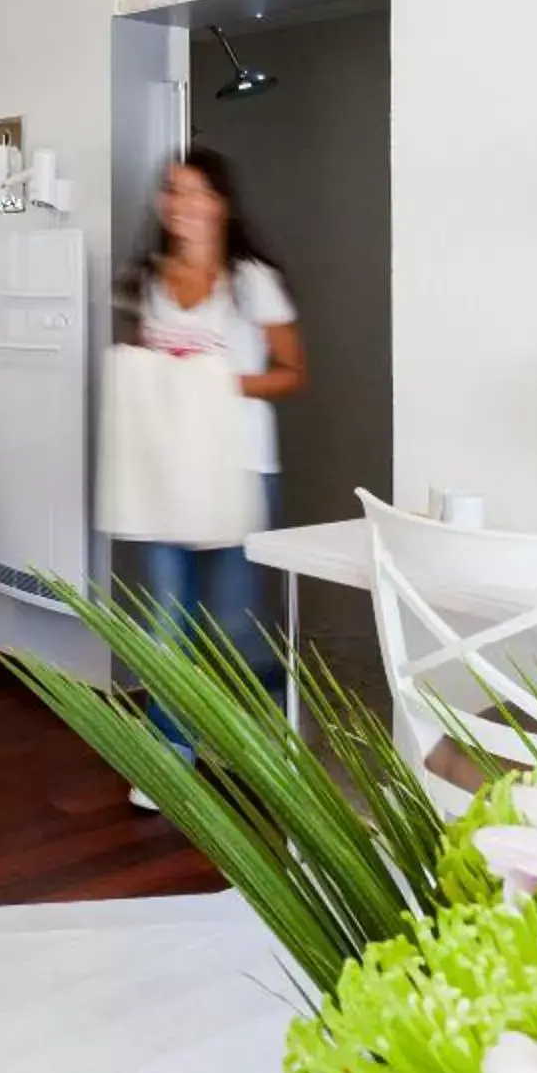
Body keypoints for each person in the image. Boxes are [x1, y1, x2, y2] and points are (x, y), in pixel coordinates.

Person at [121, 145, 306, 804]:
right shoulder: (150, 279)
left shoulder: (253, 281)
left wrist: (216, 380)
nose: (182, 203)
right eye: (172, 191)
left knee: (234, 624)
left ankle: (278, 735)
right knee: (169, 620)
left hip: (240, 467)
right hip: (168, 472)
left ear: (220, 203)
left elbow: (292, 373)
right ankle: (172, 751)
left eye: (196, 191)